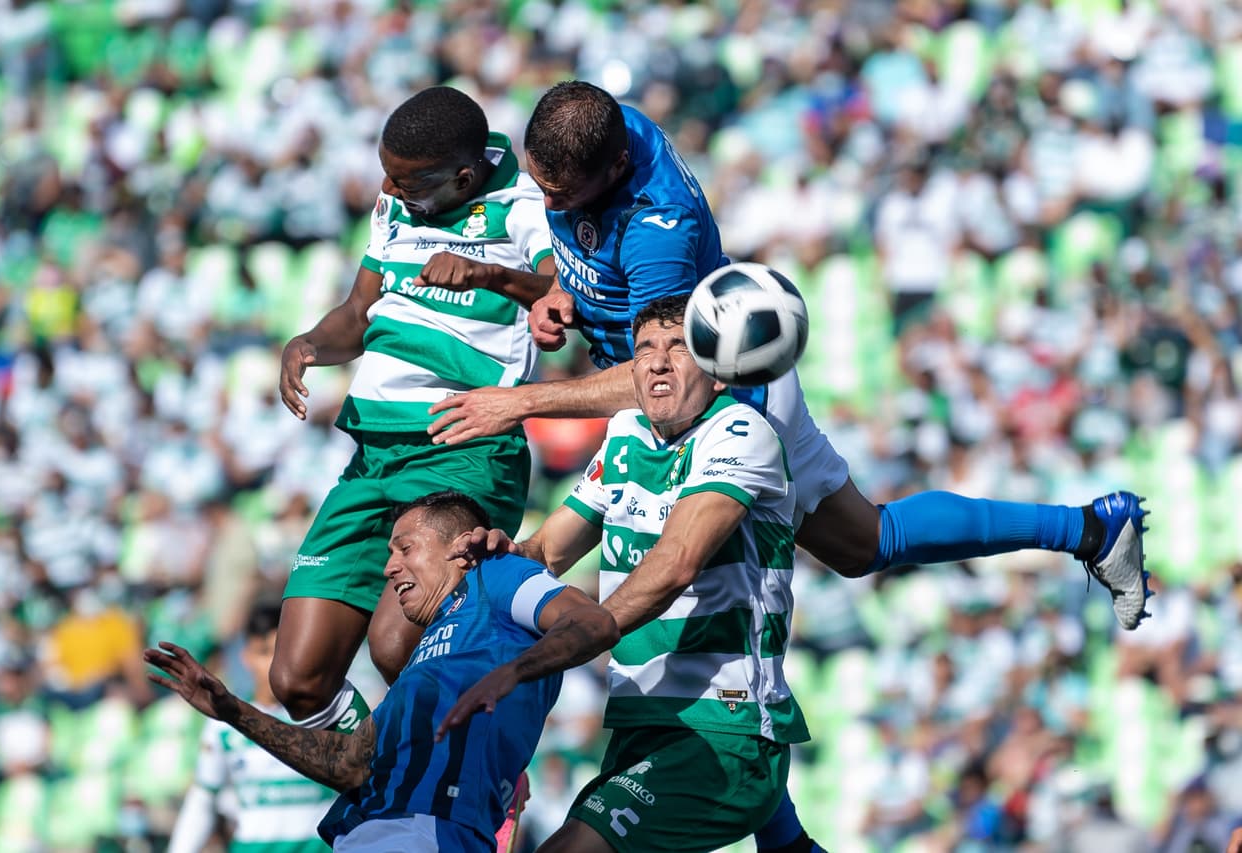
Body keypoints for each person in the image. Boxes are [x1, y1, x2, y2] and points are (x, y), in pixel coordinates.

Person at [427, 80, 1150, 853]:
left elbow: (662, 372)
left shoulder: (659, 234)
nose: (546, 201)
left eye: (558, 191)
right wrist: (524, 287)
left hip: (722, 399)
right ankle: (1087, 527)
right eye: (541, 183)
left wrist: (521, 402)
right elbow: (597, 292)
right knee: (865, 543)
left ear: (611, 171)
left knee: (694, 581)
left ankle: (1084, 530)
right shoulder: (593, 130)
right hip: (685, 394)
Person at [446, 297, 827, 852]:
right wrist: (504, 552)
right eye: (644, 349)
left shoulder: (741, 432)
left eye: (678, 348)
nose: (657, 362)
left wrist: (542, 657)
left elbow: (675, 566)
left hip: (725, 729)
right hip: (637, 724)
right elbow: (548, 551)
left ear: (718, 373)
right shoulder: (625, 432)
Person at [270, 86, 556, 738]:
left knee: (396, 646)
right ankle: (378, 777)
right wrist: (308, 343)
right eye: (387, 174)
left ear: (464, 178)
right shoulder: (394, 205)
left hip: (461, 446)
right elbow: (357, 312)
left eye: (407, 181)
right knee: (298, 681)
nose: (389, 189)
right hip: (373, 454)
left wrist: (486, 275)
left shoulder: (522, 205)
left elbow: (563, 292)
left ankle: (482, 770)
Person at [147, 492, 619, 853]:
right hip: (367, 833)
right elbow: (350, 764)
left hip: (428, 830)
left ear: (459, 548)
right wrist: (232, 710)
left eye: (405, 548)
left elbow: (593, 622)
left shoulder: (495, 577)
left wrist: (512, 672)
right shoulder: (425, 654)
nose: (390, 568)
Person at [168, 600, 337, 853]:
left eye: (284, 652)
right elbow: (202, 800)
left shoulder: (330, 716)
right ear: (246, 657)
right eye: (265, 652)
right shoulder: (224, 725)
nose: (275, 664)